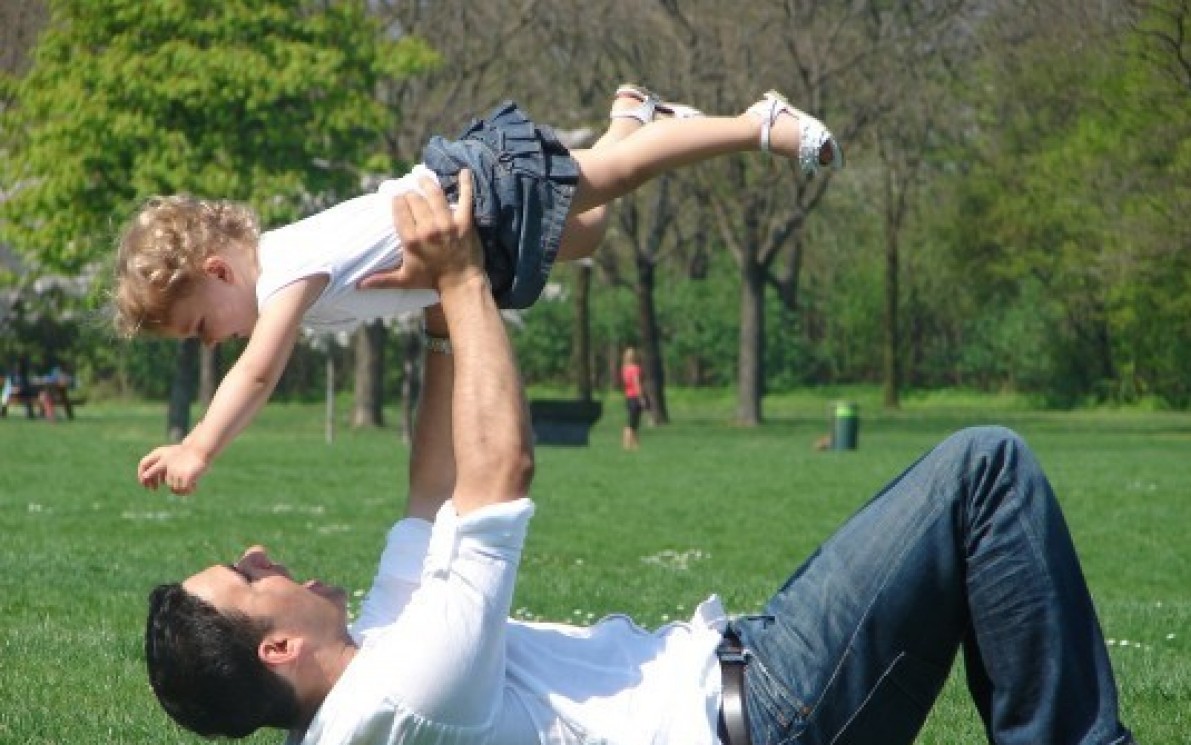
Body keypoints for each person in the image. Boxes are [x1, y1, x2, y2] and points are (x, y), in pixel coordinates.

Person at [143, 176, 1191, 745]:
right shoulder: (405, 700)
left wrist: (430, 311)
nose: (260, 550)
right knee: (983, 468)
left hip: (756, 668)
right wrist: (465, 282)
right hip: (774, 724)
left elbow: (433, 492)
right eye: (247, 575)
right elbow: (498, 474)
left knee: (968, 487)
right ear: (278, 647)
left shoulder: (366, 670)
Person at [113, 84, 842, 496]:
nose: (210, 344)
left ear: (218, 272)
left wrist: (200, 446)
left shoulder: (282, 274)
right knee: (587, 234)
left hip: (475, 194)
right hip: (474, 232)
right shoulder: (287, 274)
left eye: (200, 327)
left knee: (608, 177)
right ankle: (635, 116)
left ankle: (757, 123)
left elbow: (257, 373)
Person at [620, 346, 647, 450]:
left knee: (633, 421)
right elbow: (637, 384)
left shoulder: (624, 369)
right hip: (635, 396)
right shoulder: (635, 369)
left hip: (628, 397)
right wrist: (641, 398)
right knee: (632, 422)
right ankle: (627, 444)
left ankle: (635, 444)